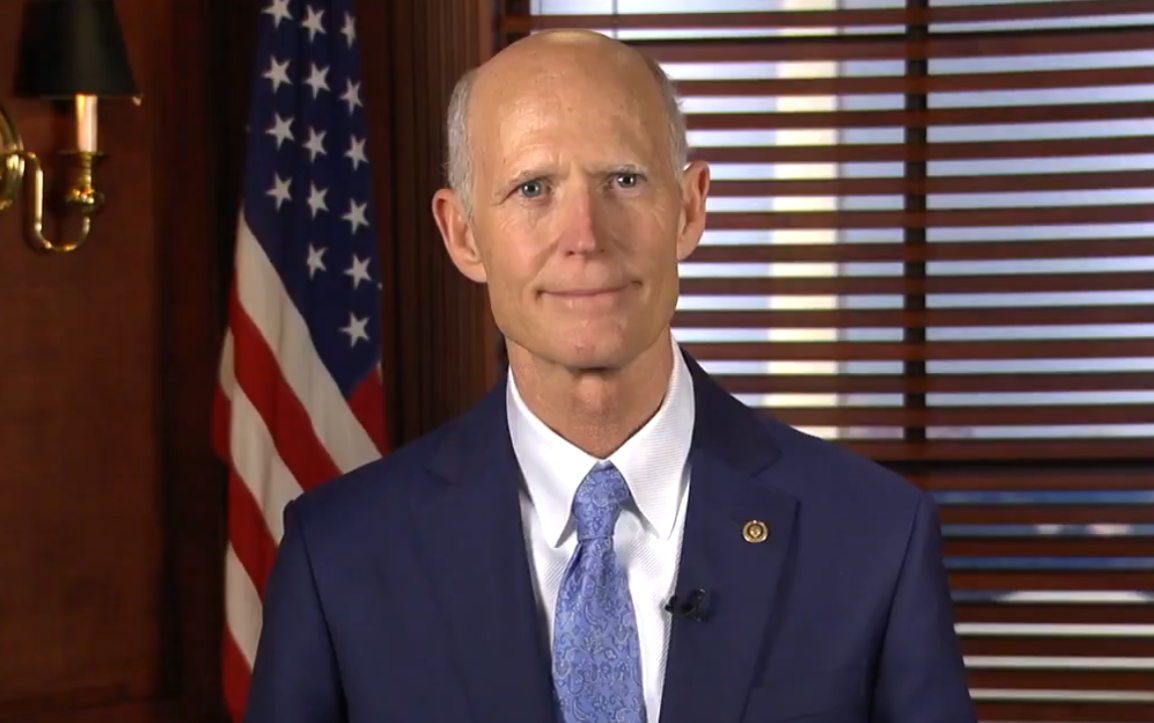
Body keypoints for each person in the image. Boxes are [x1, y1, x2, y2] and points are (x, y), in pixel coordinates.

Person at [244, 30, 977, 723]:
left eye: (624, 179)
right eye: (532, 189)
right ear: (463, 233)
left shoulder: (875, 538)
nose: (585, 237)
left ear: (689, 208)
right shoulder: (339, 556)